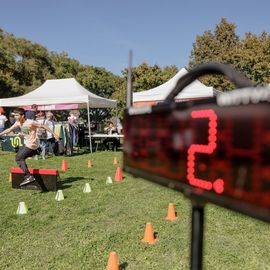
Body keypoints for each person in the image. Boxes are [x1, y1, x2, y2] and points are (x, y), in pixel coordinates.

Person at [0, 108, 59, 186]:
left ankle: (28, 176)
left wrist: (54, 134)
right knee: (21, 157)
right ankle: (36, 152)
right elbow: (10, 129)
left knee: (18, 158)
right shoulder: (18, 122)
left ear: (22, 115)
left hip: (32, 144)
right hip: (27, 144)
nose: (15, 117)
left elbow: (44, 126)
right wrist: (0, 134)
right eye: (14, 115)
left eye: (17, 115)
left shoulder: (31, 122)